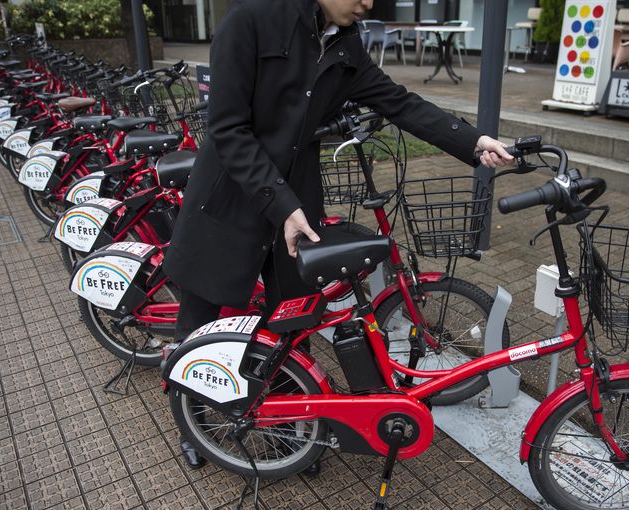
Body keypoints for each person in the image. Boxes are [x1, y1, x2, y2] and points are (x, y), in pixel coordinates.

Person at [162, 0, 514, 470]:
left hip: (297, 199)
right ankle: (195, 422)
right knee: (201, 317)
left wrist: (471, 141)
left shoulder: (344, 42)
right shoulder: (250, 20)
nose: (369, 3)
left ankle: (292, 426)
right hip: (232, 193)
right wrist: (282, 204)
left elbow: (399, 101)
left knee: (295, 314)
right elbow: (227, 129)